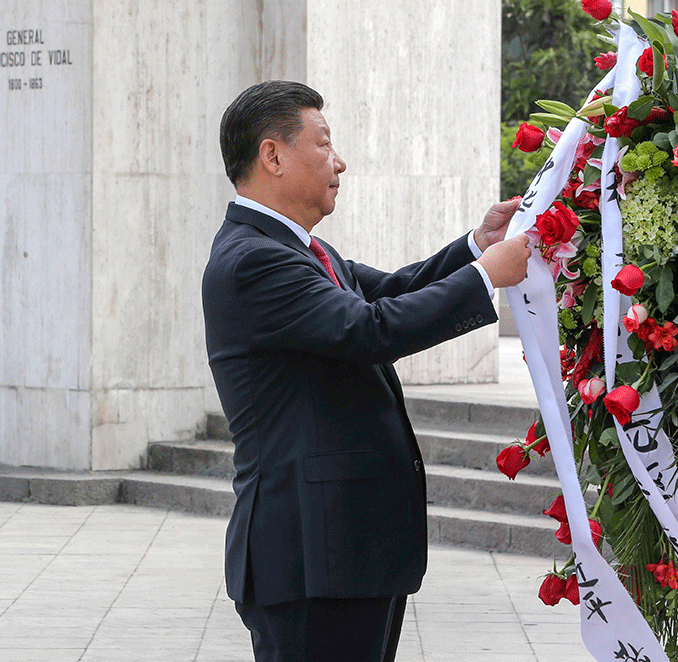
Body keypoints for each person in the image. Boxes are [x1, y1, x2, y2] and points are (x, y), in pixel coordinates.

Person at [202, 80, 531, 662]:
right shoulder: (255, 259)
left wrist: (477, 246)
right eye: (324, 144)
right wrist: (486, 277)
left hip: (344, 549)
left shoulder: (298, 248)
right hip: (310, 551)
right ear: (272, 156)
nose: (340, 161)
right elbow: (370, 330)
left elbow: (392, 292)